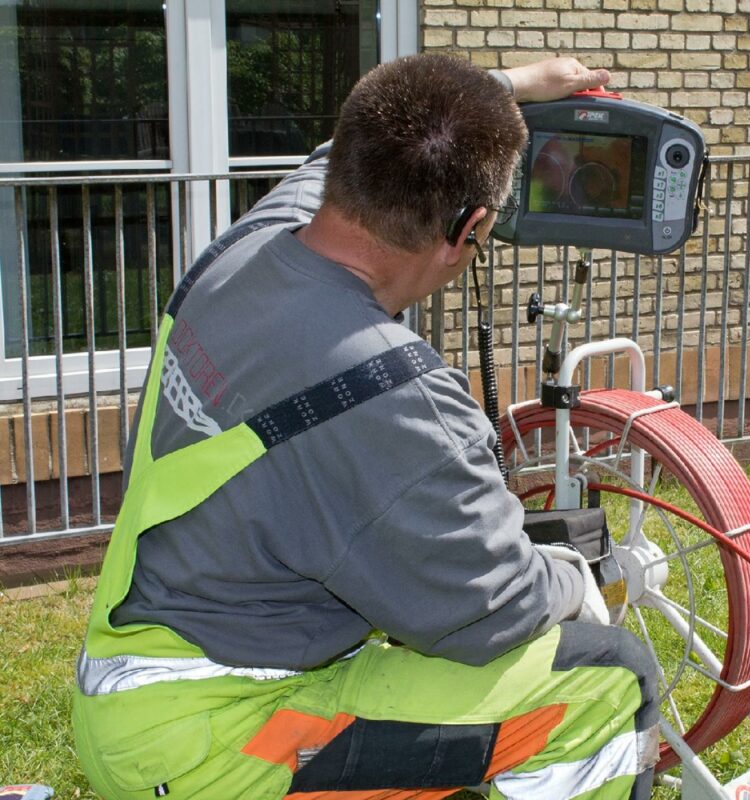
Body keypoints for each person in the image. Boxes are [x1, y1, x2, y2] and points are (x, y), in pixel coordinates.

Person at [73, 54, 661, 800]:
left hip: (130, 681)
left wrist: (514, 82)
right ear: (471, 227)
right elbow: (494, 610)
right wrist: (571, 578)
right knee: (606, 679)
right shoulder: (391, 394)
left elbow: (342, 148)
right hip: (213, 742)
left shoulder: (250, 247)